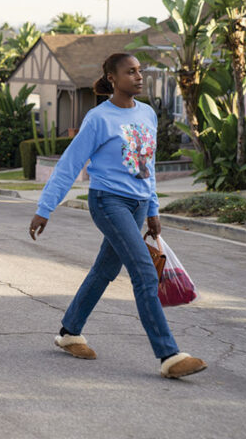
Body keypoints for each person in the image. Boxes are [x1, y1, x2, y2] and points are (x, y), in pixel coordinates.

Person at [28, 53, 207, 379]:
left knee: (104, 271)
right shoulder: (99, 118)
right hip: (108, 203)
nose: (139, 77)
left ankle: (69, 332)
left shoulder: (147, 114)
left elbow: (146, 168)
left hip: (138, 204)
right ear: (112, 78)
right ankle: (169, 355)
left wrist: (152, 209)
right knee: (144, 273)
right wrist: (45, 208)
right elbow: (69, 164)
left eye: (140, 71)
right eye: (130, 72)